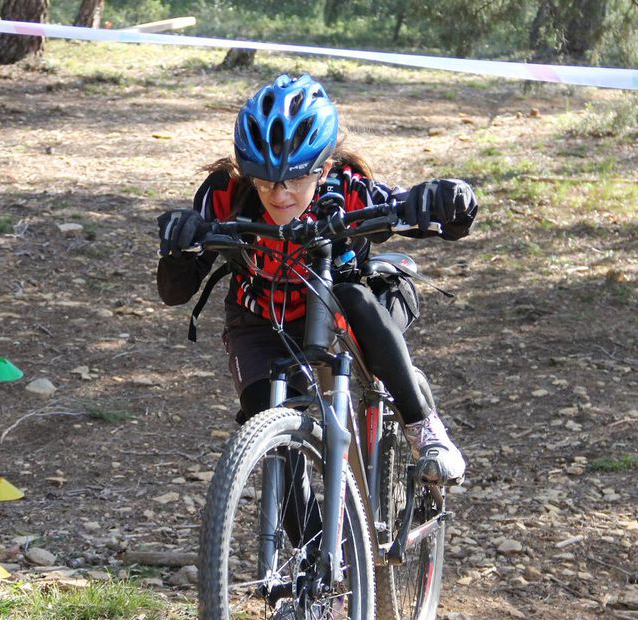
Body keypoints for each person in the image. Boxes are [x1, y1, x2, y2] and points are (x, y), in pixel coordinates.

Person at [155, 73, 477, 485]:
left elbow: (411, 209)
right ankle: (308, 547)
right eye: (265, 179)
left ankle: (424, 429)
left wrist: (450, 202)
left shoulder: (350, 190)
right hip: (260, 317)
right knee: (267, 427)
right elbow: (174, 292)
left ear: (323, 169)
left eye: (296, 178)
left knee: (353, 295)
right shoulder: (224, 195)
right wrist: (180, 244)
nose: (279, 194)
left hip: (341, 310)